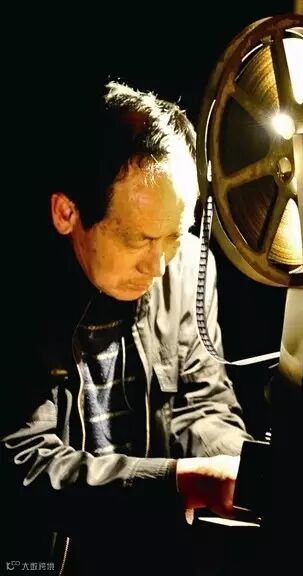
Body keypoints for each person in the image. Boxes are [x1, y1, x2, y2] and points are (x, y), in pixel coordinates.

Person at [1, 80, 252, 575]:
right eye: (138, 239)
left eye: (174, 235)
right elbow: (24, 462)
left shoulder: (187, 266)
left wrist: (236, 470)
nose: (158, 266)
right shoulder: (18, 291)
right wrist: (178, 481)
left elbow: (202, 401)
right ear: (67, 213)